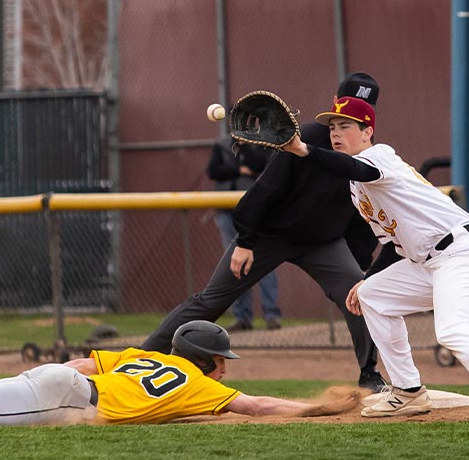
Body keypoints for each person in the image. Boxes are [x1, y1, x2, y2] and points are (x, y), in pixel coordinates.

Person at [281, 96, 469, 421]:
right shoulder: (357, 186)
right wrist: (366, 280)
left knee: (452, 330)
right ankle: (407, 392)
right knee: (372, 296)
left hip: (465, 253)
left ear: (367, 131)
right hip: (429, 262)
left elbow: (352, 166)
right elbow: (393, 244)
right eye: (332, 127)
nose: (336, 133)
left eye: (345, 126)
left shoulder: (379, 156)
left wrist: (303, 150)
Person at [141, 73, 386, 392]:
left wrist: (358, 263)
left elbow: (363, 214)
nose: (351, 113)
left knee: (360, 296)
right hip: (269, 235)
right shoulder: (306, 138)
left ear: (369, 119)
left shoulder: (369, 156)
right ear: (335, 105)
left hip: (323, 243)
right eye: (346, 106)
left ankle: (369, 374)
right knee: (210, 301)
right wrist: (246, 240)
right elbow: (265, 189)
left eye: (362, 106)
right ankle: (142, 358)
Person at [0, 321, 358, 426]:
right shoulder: (204, 385)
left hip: (63, 378)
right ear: (209, 361)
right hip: (72, 402)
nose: (225, 368)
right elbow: (257, 405)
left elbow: (78, 363)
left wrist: (39, 377)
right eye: (222, 360)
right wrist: (317, 409)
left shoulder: (150, 356)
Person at [207, 136, 281, 331]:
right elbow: (213, 171)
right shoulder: (222, 145)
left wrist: (245, 147)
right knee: (234, 264)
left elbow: (261, 167)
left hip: (253, 210)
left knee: (264, 262)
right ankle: (242, 317)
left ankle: (271, 314)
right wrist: (239, 169)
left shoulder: (261, 146)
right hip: (226, 210)